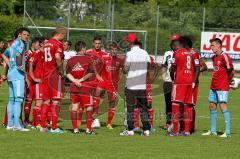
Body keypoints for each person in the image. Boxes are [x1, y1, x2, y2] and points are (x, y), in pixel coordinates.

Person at [202, 38, 234, 138]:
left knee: (223, 106)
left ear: (218, 45)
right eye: (211, 45)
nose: (211, 47)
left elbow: (231, 71)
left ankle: (227, 132)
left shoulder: (225, 57)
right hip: (213, 86)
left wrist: (227, 81)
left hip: (222, 86)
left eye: (212, 45)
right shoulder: (213, 57)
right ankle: (213, 130)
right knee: (212, 105)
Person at [120, 33, 151, 136]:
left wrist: (123, 69)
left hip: (131, 85)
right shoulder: (145, 52)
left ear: (130, 43)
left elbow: (125, 68)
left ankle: (130, 130)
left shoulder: (130, 54)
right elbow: (149, 64)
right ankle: (146, 130)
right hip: (142, 85)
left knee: (130, 108)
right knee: (143, 108)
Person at [169, 36, 200, 136]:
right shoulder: (192, 54)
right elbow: (197, 67)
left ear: (180, 44)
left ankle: (175, 131)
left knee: (175, 105)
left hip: (180, 81)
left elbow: (172, 68)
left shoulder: (177, 53)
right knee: (187, 105)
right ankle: (187, 131)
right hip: (190, 82)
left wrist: (174, 79)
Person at [2, 27, 30, 131]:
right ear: (20, 35)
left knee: (12, 99)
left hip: (10, 74)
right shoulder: (20, 44)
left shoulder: (12, 44)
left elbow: (4, 55)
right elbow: (18, 55)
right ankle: (17, 125)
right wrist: (19, 66)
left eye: (28, 35)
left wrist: (11, 65)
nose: (26, 37)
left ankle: (10, 124)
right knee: (18, 100)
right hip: (17, 75)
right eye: (24, 34)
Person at [40, 26, 66, 133]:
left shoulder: (46, 43)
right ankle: (54, 127)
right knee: (56, 101)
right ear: (60, 33)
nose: (64, 37)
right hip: (54, 75)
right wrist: (61, 70)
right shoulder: (58, 43)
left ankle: (43, 127)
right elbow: (57, 57)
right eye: (64, 34)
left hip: (45, 75)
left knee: (46, 101)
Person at [66, 41, 96, 134]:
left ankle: (75, 129)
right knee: (89, 107)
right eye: (85, 48)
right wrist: (81, 80)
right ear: (82, 49)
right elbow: (91, 72)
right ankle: (88, 129)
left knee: (74, 107)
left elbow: (67, 73)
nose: (86, 50)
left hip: (73, 86)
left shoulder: (70, 60)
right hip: (85, 86)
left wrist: (75, 81)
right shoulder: (88, 59)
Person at [95, 42, 124, 129]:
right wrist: (97, 76)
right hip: (103, 82)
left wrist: (118, 80)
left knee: (112, 102)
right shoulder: (104, 58)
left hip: (113, 85)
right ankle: (94, 117)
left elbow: (121, 71)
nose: (114, 51)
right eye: (112, 50)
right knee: (96, 97)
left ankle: (108, 123)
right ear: (109, 50)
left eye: (115, 50)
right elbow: (95, 67)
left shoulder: (120, 60)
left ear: (117, 50)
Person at [182, 36, 207, 133]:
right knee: (183, 104)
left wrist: (194, 73)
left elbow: (204, 67)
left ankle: (190, 127)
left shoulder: (194, 53)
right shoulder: (182, 52)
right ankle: (185, 126)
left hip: (192, 83)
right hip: (183, 82)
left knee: (190, 104)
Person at [86, 36, 106, 128]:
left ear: (101, 44)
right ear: (93, 44)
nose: (97, 45)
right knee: (89, 100)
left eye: (99, 43)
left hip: (100, 80)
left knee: (98, 98)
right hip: (89, 79)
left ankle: (94, 118)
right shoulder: (88, 53)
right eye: (96, 43)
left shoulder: (105, 54)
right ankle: (93, 118)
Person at [29, 37, 48, 129]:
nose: (48, 45)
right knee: (39, 102)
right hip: (38, 82)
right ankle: (37, 124)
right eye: (46, 43)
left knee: (43, 102)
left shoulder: (45, 54)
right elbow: (30, 65)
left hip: (44, 82)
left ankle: (34, 123)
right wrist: (34, 78)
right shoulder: (37, 53)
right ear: (41, 44)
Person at [161, 34, 180, 131]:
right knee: (168, 103)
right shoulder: (167, 53)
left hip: (179, 83)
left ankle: (177, 122)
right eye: (172, 41)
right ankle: (168, 122)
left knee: (177, 104)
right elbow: (164, 66)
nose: (172, 43)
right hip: (168, 82)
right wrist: (164, 79)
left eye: (174, 41)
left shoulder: (183, 53)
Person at [24, 37, 42, 126]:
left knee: (37, 100)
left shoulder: (38, 53)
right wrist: (26, 77)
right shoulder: (28, 53)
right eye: (39, 44)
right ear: (33, 44)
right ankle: (26, 120)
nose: (39, 46)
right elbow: (24, 65)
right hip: (29, 78)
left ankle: (34, 121)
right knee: (29, 100)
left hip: (34, 79)